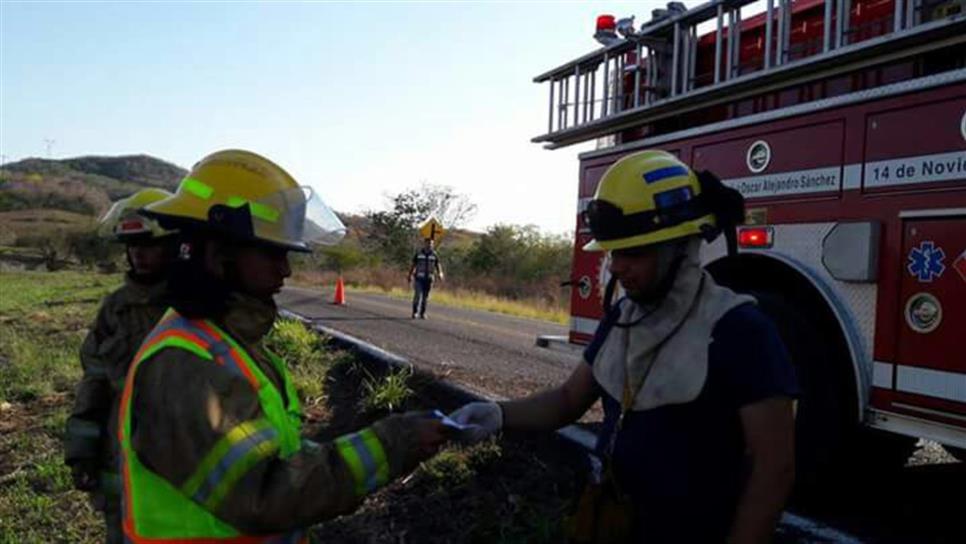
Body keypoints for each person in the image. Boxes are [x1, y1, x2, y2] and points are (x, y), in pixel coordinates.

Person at [450, 150, 798, 544]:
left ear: (679, 246)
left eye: (633, 252)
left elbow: (774, 468)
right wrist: (498, 414)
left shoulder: (739, 329)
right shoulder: (624, 317)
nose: (615, 266)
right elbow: (568, 399)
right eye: (613, 251)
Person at [118, 149, 449, 541]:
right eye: (273, 252)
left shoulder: (226, 341)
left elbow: (278, 456)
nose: (286, 269)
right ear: (220, 252)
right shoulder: (184, 364)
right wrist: (393, 442)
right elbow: (266, 494)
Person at [64, 188, 179, 543]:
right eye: (132, 246)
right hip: (121, 451)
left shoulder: (189, 305)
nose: (138, 255)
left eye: (148, 244)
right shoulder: (116, 308)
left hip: (179, 452)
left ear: (173, 246)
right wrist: (82, 451)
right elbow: (94, 382)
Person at [407, 237, 443, 319]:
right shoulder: (419, 254)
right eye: (428, 243)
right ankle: (415, 312)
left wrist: (440, 273)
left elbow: (438, 265)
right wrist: (410, 275)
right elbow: (413, 265)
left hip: (429, 279)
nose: (430, 245)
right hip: (419, 278)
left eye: (431, 244)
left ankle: (423, 313)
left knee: (425, 297)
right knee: (417, 296)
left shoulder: (434, 254)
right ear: (425, 243)